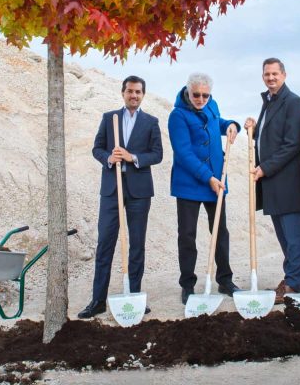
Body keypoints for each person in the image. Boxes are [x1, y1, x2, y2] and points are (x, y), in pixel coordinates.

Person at [78, 75, 163, 319]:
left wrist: (132, 157)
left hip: (139, 192)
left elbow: (157, 154)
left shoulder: (151, 122)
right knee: (105, 242)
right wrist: (108, 158)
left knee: (136, 244)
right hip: (111, 190)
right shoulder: (109, 119)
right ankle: (98, 300)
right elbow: (97, 148)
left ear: (143, 95)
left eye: (138, 92)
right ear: (123, 92)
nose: (134, 95)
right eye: (130, 91)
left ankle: (134, 296)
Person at [168, 73, 240, 305]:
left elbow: (217, 122)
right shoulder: (177, 116)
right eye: (196, 95)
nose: (201, 99)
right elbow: (183, 153)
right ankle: (187, 284)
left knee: (220, 231)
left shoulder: (212, 105)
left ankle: (225, 280)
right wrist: (207, 176)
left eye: (205, 95)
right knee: (187, 235)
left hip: (216, 181)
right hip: (189, 183)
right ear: (188, 91)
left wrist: (231, 125)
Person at [243, 58, 300, 304]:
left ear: (284, 75)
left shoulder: (293, 102)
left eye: (274, 74)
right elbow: (270, 137)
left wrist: (265, 168)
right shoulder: (269, 101)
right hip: (273, 182)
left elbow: (293, 143)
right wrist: (254, 129)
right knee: (284, 236)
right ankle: (291, 277)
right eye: (267, 74)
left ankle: (294, 282)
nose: (270, 78)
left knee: (293, 235)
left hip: (288, 180)